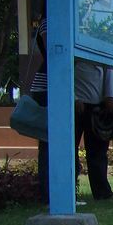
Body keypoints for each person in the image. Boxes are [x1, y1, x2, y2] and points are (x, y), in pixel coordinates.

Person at [30, 16, 82, 204]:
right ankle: (50, 195)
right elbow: (54, 53)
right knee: (49, 144)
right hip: (48, 90)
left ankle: (60, 193)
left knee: (60, 143)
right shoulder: (51, 22)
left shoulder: (67, 22)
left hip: (56, 88)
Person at [74, 61, 113, 199]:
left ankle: (102, 192)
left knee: (98, 152)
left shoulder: (102, 45)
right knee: (69, 151)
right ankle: (68, 192)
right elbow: (64, 71)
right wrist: (74, 98)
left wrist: (110, 96)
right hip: (76, 105)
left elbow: (109, 67)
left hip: (97, 106)